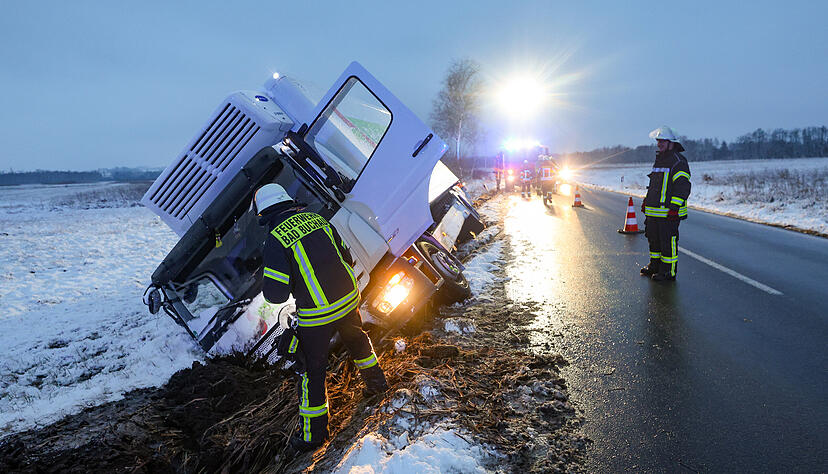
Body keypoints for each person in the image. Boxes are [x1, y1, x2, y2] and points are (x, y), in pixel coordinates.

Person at [254, 183, 388, 452]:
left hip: (318, 314)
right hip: (349, 298)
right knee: (357, 340)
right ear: (287, 201)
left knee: (311, 369)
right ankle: (377, 384)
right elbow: (346, 257)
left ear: (265, 214)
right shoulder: (318, 220)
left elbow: (277, 295)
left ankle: (313, 436)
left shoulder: (275, 239)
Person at [640, 126, 692, 281]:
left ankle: (668, 272)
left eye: (662, 141)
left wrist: (674, 208)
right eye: (658, 141)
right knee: (653, 241)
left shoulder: (678, 161)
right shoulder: (660, 160)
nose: (659, 144)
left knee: (667, 243)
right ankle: (655, 266)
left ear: (671, 143)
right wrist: (646, 201)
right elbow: (655, 186)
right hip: (654, 212)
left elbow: (682, 187)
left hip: (668, 213)